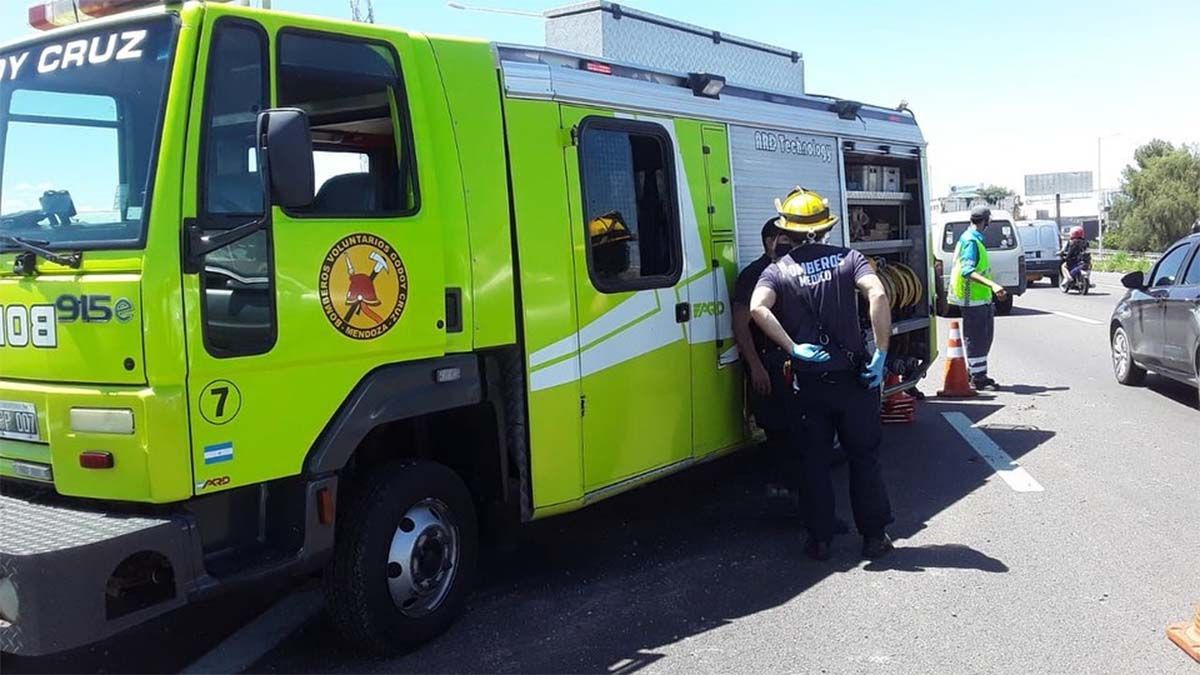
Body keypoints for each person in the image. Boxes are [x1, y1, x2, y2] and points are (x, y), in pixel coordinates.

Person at [750, 187, 895, 561]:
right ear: (826, 227)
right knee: (864, 459)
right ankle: (875, 537)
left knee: (813, 461)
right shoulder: (850, 259)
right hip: (854, 380)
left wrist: (792, 347)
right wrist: (881, 353)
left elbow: (757, 309)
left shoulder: (776, 271)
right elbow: (878, 295)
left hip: (808, 384)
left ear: (787, 231)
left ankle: (820, 540)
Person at [947, 205, 1007, 391]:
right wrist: (993, 285)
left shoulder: (971, 238)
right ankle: (978, 378)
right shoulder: (971, 241)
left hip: (979, 298)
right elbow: (967, 271)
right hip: (972, 298)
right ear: (986, 221)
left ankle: (976, 373)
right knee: (977, 339)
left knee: (982, 338)